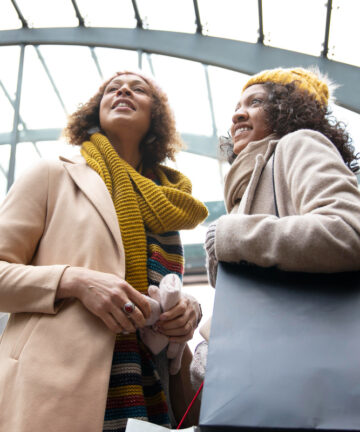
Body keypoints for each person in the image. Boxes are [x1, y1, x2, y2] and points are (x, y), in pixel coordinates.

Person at [0, 70, 208, 432]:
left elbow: (158, 296)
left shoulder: (167, 209)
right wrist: (74, 281)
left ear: (155, 117)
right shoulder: (52, 175)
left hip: (150, 397)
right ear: (94, 112)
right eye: (112, 88)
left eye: (138, 89)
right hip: (55, 389)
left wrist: (183, 315)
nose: (123, 89)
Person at [191, 66, 360, 389]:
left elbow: (349, 230)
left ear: (286, 110)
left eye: (254, 103)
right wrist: (216, 342)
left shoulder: (299, 144)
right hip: (268, 375)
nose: (238, 115)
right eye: (236, 108)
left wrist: (231, 235)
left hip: (309, 373)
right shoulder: (246, 187)